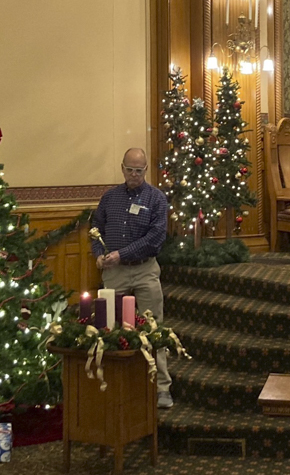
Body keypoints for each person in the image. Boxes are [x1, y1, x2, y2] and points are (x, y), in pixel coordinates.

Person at [90, 147, 174, 408]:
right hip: (114, 272)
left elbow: (155, 239)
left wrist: (121, 253)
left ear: (146, 170)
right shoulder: (109, 198)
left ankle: (162, 388)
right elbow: (96, 229)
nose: (134, 174)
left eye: (139, 170)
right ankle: (113, 384)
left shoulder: (156, 198)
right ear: (122, 168)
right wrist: (98, 254)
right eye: (130, 169)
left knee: (154, 329)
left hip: (145, 269)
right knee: (110, 328)